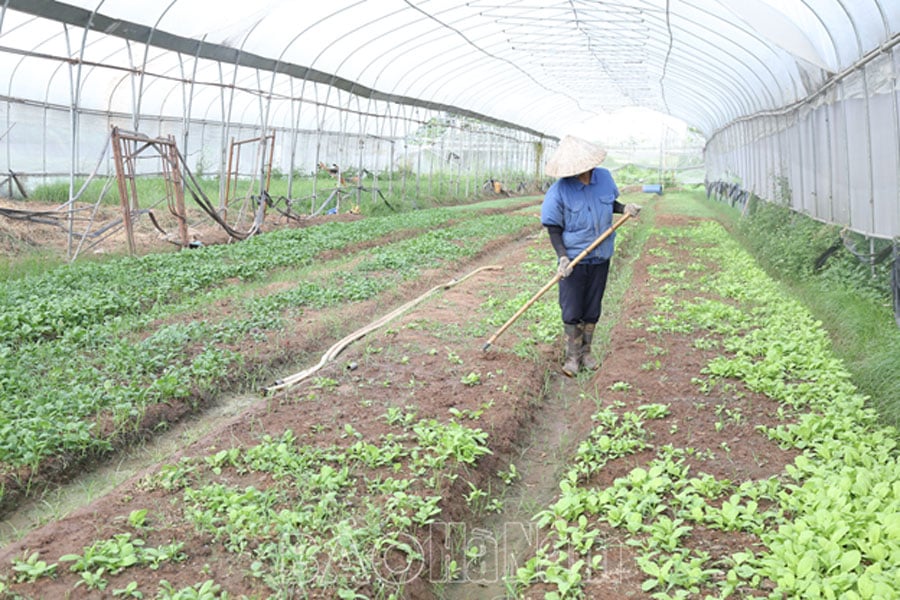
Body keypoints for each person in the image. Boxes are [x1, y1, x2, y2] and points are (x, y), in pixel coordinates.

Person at [540, 135, 641, 377]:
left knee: (592, 307)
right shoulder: (559, 191)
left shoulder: (604, 178)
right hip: (575, 259)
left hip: (601, 255)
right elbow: (553, 228)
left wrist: (624, 208)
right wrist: (563, 258)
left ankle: (587, 353)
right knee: (572, 309)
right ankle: (572, 357)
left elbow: (610, 203)